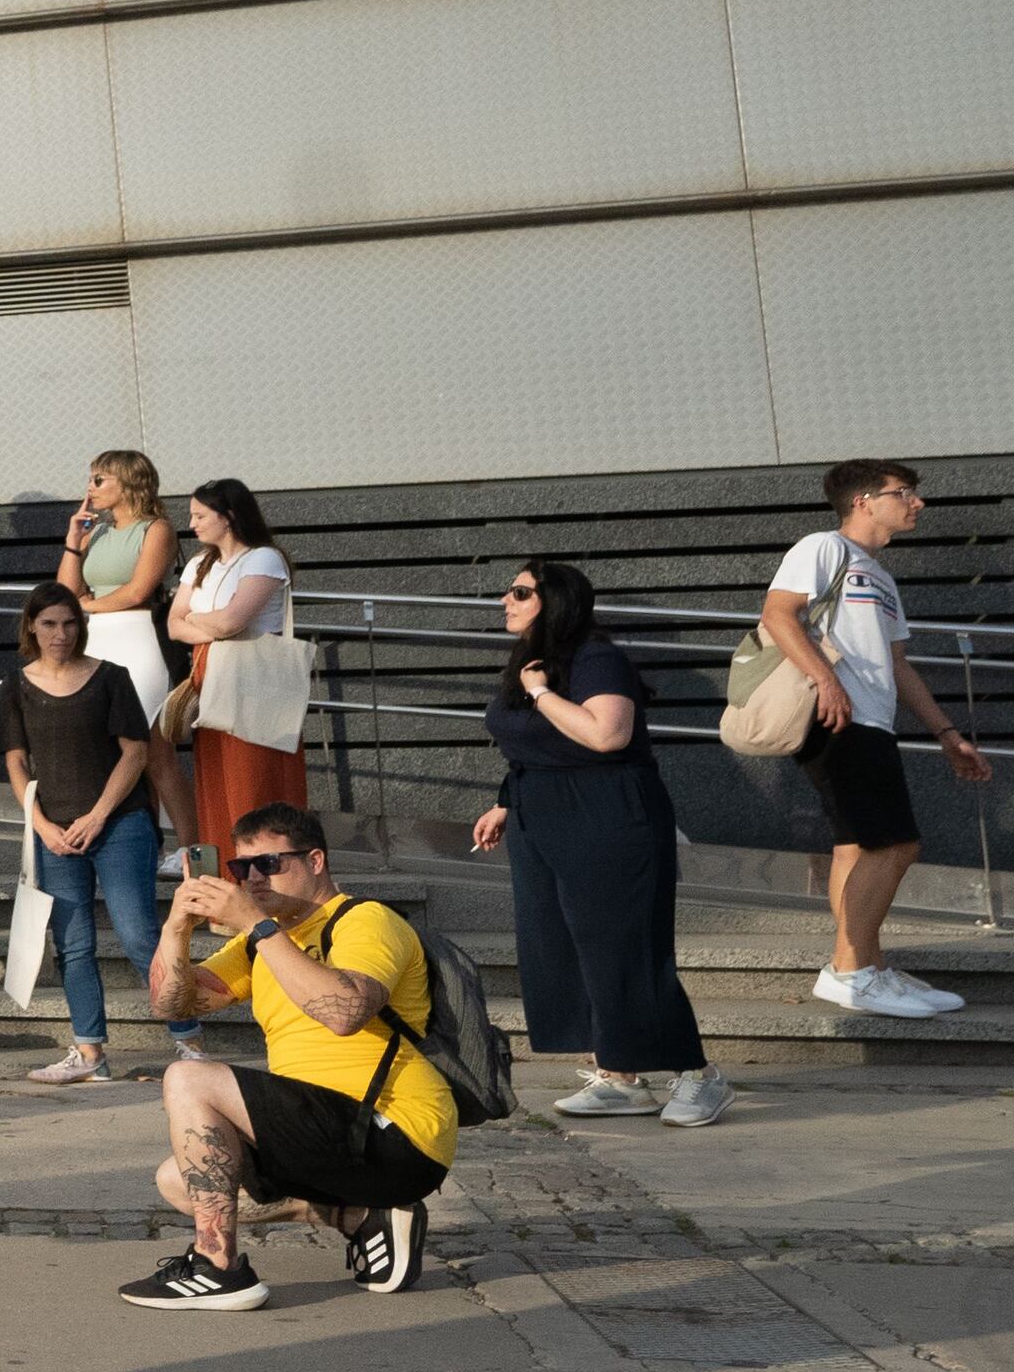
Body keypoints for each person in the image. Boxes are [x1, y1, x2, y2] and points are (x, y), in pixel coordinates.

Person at [119, 805, 452, 1313]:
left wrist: (256, 924)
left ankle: (218, 1266)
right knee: (178, 1179)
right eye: (240, 868)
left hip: (393, 1129)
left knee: (189, 1077)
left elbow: (344, 1013)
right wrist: (176, 929)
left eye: (270, 864)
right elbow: (174, 1005)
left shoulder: (363, 920)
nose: (252, 878)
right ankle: (363, 1218)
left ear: (315, 860)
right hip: (326, 1133)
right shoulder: (261, 942)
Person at [482, 560, 721, 1124]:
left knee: (623, 947)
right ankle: (620, 1076)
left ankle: (699, 1075)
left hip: (606, 814)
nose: (505, 601)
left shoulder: (596, 658)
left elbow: (607, 734)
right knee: (561, 945)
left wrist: (540, 695)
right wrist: (504, 800)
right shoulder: (531, 663)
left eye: (519, 591)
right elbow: (531, 745)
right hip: (539, 815)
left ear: (555, 598)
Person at [766, 459, 991, 1018]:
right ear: (863, 500)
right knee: (895, 845)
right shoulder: (822, 547)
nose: (917, 503)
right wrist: (825, 681)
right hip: (836, 718)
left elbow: (899, 666)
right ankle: (850, 972)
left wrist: (945, 734)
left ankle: (867, 965)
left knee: (857, 845)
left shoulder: (881, 578)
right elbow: (778, 615)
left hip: (870, 720)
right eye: (905, 493)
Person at [2, 586, 163, 1087]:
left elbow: (136, 754)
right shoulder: (16, 684)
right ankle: (89, 1051)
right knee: (73, 946)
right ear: (31, 626)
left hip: (119, 825)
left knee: (140, 936)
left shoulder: (111, 677)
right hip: (55, 836)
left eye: (69, 623)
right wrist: (43, 826)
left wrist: (97, 816)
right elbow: (15, 760)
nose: (60, 634)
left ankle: (189, 1037)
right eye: (49, 624)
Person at [167, 479, 301, 857]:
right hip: (210, 677)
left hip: (255, 682)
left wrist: (197, 616)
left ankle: (264, 873)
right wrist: (212, 620)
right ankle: (226, 876)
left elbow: (232, 623)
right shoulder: (198, 564)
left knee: (254, 781)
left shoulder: (263, 558)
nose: (192, 523)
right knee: (216, 781)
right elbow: (174, 625)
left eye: (200, 515)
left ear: (227, 517)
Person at [59, 450, 178, 717]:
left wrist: (88, 605)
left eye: (98, 480)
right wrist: (73, 541)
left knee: (150, 740)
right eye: (90, 480)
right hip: (97, 635)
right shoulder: (97, 531)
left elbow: (138, 591)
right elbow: (67, 593)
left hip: (141, 634)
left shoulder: (156, 529)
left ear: (127, 483)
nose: (90, 488)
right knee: (101, 734)